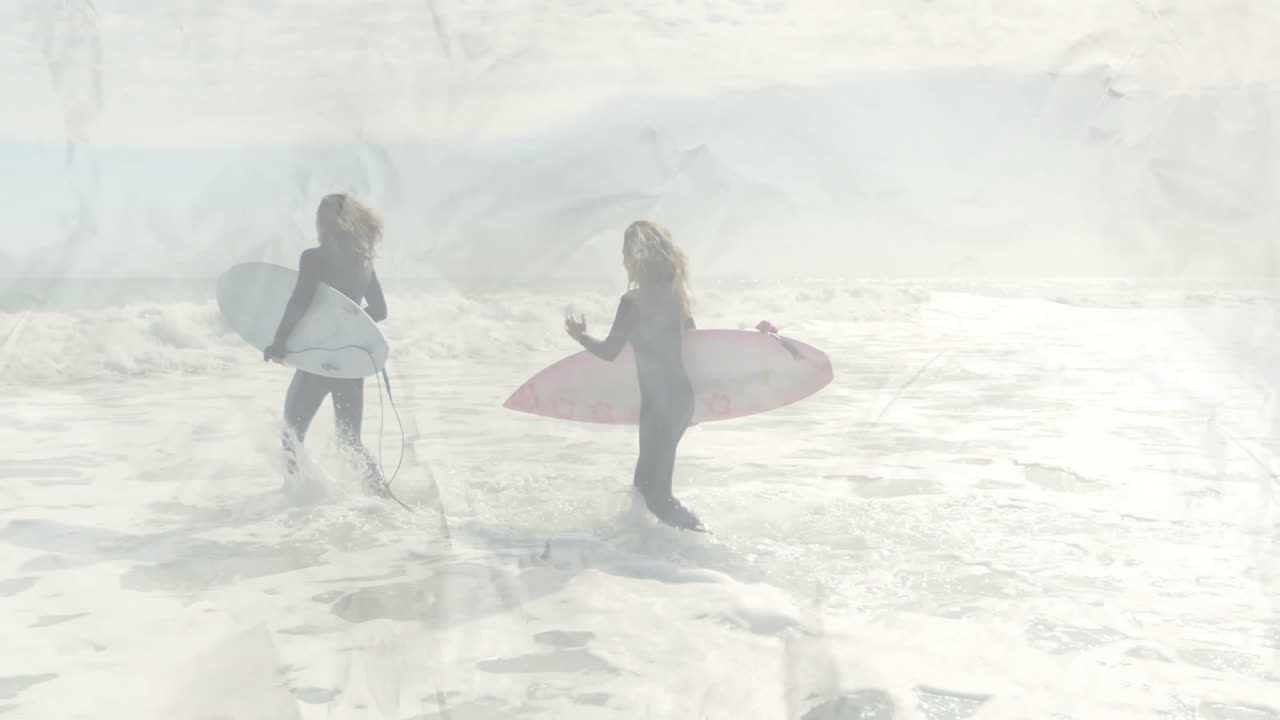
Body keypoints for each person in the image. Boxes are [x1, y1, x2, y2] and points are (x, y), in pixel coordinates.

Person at [564, 220, 704, 531]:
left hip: (660, 405)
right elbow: (695, 347)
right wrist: (695, 405)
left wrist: (580, 336)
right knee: (644, 489)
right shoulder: (675, 296)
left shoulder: (632, 302)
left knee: (656, 497)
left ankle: (705, 541)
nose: (622, 261)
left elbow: (610, 352)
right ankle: (643, 553)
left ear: (638, 256)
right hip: (677, 400)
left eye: (625, 253)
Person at [264, 193, 390, 496]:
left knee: (292, 436)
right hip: (350, 362)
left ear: (325, 221)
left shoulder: (314, 258)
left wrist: (279, 343)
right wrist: (349, 329)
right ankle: (383, 496)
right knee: (351, 441)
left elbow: (300, 302)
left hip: (319, 361)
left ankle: (296, 500)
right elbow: (380, 311)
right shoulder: (364, 262)